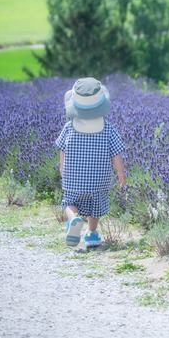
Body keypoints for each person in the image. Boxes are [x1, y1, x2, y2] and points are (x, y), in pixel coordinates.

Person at [55, 77, 127, 248]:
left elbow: (62, 149)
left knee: (69, 202)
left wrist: (62, 168)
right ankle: (92, 235)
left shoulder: (69, 127)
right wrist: (121, 173)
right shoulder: (107, 128)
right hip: (98, 180)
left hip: (73, 178)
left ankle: (74, 219)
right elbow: (116, 153)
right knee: (95, 206)